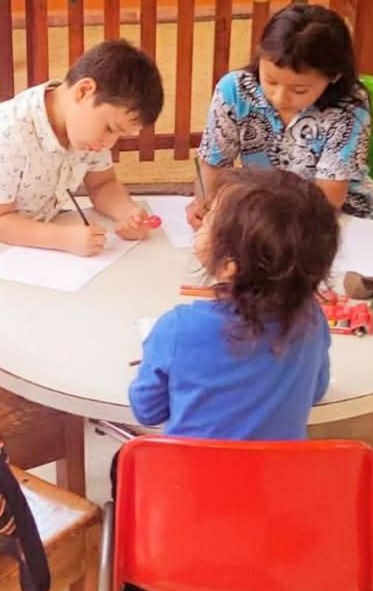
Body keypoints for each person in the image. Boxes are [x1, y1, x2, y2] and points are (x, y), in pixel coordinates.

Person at [129, 168, 339, 439]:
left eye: (209, 220)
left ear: (230, 265)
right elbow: (316, 391)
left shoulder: (177, 329)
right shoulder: (312, 317)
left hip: (191, 479)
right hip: (277, 479)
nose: (201, 222)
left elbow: (147, 411)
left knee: (120, 463)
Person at [0, 39, 164, 273]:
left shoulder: (87, 133)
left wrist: (126, 212)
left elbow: (103, 184)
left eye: (119, 136)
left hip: (35, 225)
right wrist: (63, 238)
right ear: (84, 91)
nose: (109, 142)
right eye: (110, 128)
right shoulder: (10, 129)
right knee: (45, 300)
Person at [187, 4, 373, 229]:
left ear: (334, 76)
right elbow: (213, 163)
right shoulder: (235, 90)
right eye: (270, 80)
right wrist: (207, 204)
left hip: (330, 217)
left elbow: (329, 200)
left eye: (299, 90)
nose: (280, 98)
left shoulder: (348, 110)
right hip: (259, 207)